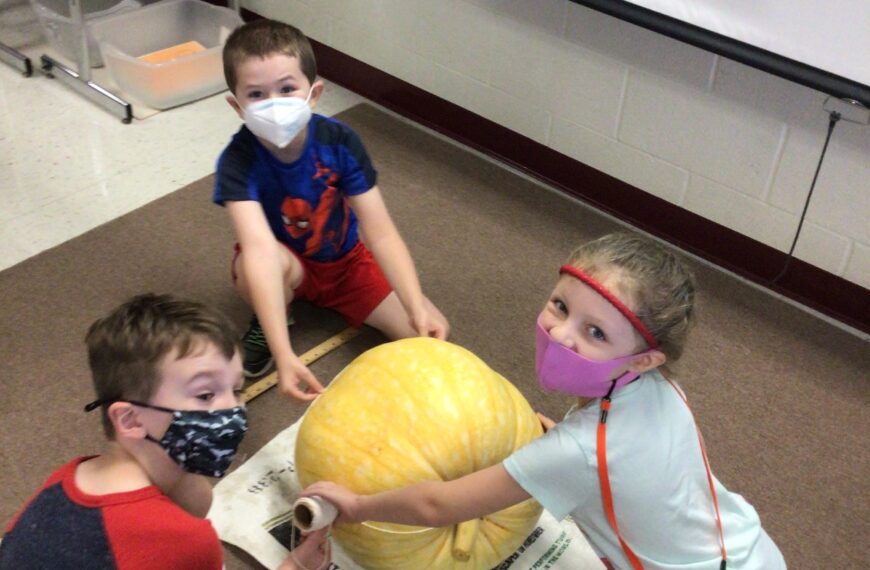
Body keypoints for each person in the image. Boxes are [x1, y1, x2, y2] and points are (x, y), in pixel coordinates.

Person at [301, 233, 787, 569]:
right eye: (561, 306)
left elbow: (436, 505)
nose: (560, 334)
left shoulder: (577, 453)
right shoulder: (663, 389)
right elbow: (630, 466)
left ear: (643, 359)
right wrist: (563, 443)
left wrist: (358, 506)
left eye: (595, 332)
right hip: (752, 550)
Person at [0, 293, 329, 570]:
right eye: (205, 395)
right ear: (130, 419)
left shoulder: (68, 478)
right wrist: (295, 565)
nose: (234, 410)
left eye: (237, 390)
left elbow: (195, 500)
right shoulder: (182, 540)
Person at [215, 19, 449, 401]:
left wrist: (414, 304)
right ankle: (272, 317)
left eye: (287, 89)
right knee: (254, 268)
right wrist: (284, 353)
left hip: (346, 266)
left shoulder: (339, 143)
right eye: (256, 94)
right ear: (236, 106)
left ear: (314, 93)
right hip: (283, 264)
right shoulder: (236, 161)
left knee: (431, 335)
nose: (274, 103)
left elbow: (381, 233)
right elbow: (258, 251)